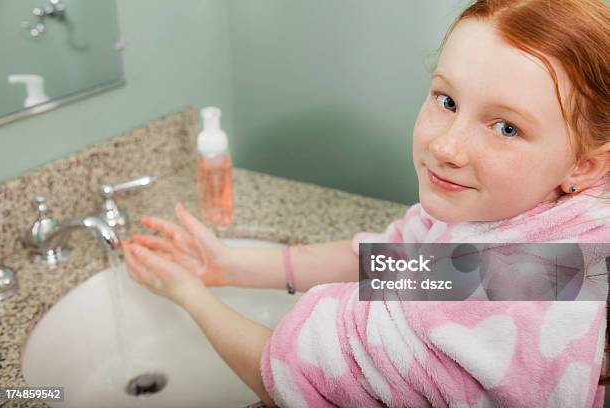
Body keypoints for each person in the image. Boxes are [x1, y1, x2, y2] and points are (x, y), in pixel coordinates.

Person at [122, 0, 610, 406]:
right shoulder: (554, 228)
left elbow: (289, 375)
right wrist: (229, 266)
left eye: (507, 127)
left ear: (584, 165)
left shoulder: (493, 289)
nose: (446, 148)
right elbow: (398, 260)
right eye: (447, 100)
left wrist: (189, 295)